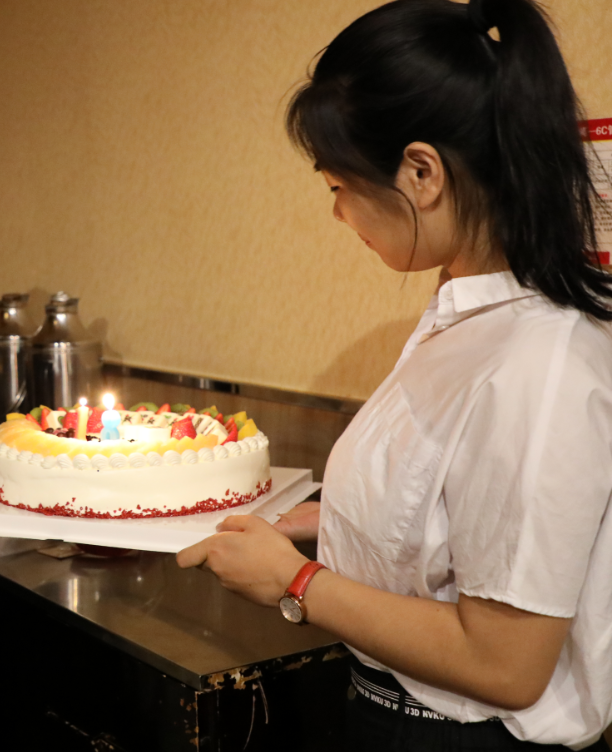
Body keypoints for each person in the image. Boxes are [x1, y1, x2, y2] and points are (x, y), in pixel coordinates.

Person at [178, 0, 612, 749]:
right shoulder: (463, 313)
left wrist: (295, 582)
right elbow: (457, 515)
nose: (338, 214)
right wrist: (339, 522)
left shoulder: (541, 363)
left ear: (421, 172)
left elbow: (507, 663)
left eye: (337, 187)